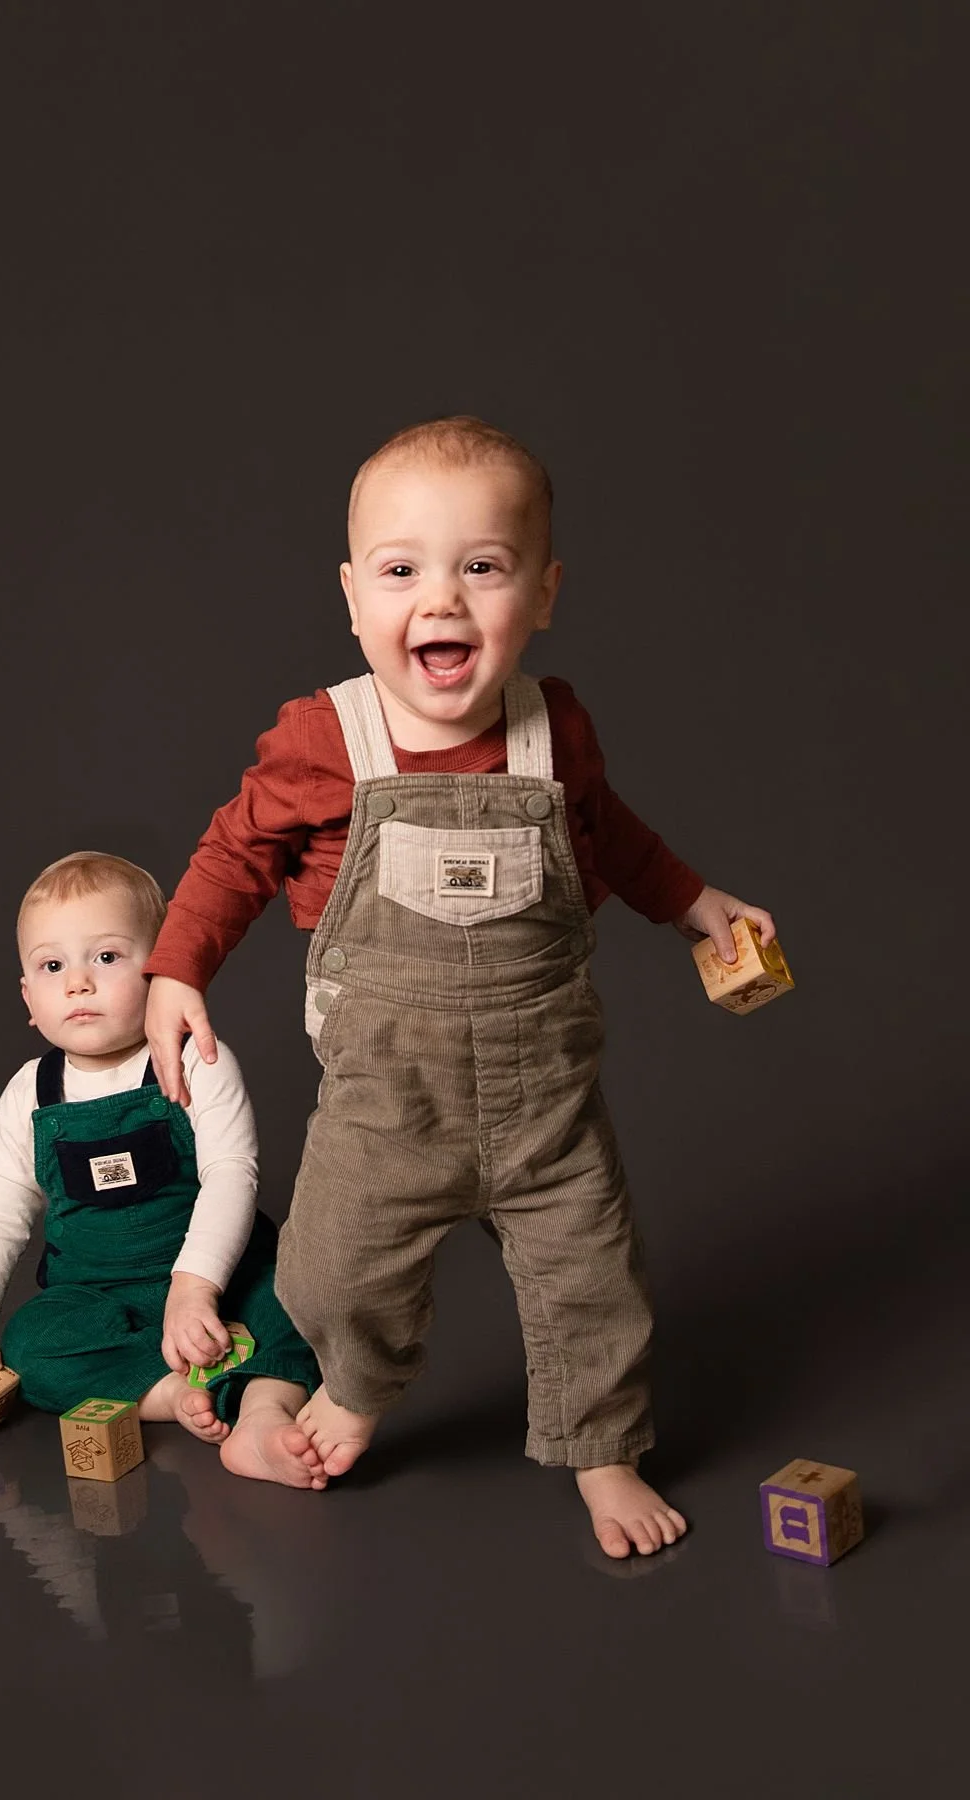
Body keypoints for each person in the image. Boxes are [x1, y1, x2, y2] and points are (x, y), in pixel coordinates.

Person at [142, 417, 778, 1555]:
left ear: (542, 591)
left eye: (482, 567)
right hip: (388, 1104)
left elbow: (612, 838)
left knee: (597, 1287)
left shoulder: (555, 731)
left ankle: (604, 1451)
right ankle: (357, 1388)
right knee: (329, 1272)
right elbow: (235, 852)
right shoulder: (326, 740)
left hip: (549, 1108)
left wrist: (696, 903)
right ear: (351, 597)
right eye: (402, 571)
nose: (440, 600)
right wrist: (177, 969)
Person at [0, 850, 326, 1491]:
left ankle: (262, 1414)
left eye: (107, 957)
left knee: (300, 1297)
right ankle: (165, 1393)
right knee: (35, 1346)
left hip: (219, 1280)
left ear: (162, 970)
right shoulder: (30, 1092)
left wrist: (195, 1288)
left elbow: (232, 1173)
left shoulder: (196, 1058)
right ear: (29, 997)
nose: (78, 983)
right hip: (98, 1293)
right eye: (52, 966)